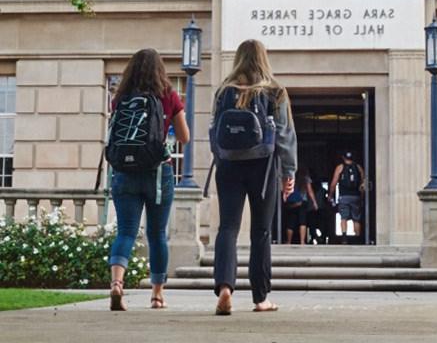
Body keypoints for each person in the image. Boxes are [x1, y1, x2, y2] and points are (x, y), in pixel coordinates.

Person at [211, 39, 297, 315]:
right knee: (261, 231)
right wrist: (289, 171)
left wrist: (221, 157)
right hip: (263, 166)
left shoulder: (224, 90)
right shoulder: (275, 91)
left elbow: (214, 131)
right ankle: (261, 298)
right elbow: (284, 134)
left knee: (227, 228)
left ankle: (225, 287)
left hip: (228, 166)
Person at [108, 48, 190, 310]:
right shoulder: (168, 95)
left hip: (124, 171)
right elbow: (184, 137)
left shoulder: (121, 97)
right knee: (157, 235)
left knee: (126, 231)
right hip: (157, 172)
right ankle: (157, 295)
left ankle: (117, 284)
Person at [328, 151, 365, 244]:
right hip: (356, 196)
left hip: (344, 196)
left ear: (343, 158)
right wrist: (362, 197)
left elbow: (333, 183)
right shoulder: (358, 167)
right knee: (356, 219)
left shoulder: (340, 167)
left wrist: (330, 195)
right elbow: (364, 183)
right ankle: (357, 238)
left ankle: (344, 238)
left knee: (343, 217)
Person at [284, 167, 318, 245]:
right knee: (302, 222)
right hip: (302, 202)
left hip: (292, 203)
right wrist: (314, 202)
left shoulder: (290, 176)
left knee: (291, 222)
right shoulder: (305, 178)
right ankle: (302, 241)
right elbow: (310, 191)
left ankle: (288, 241)